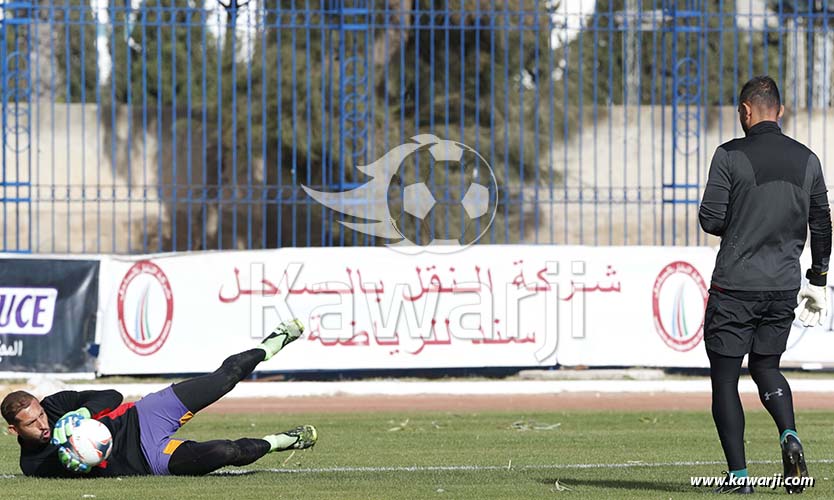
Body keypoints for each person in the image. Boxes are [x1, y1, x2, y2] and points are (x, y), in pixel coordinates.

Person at [699, 75, 831, 494]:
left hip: (735, 286)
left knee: (725, 379)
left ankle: (739, 477)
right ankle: (789, 435)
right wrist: (819, 278)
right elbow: (822, 223)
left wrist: (743, 217)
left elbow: (711, 219)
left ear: (745, 111)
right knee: (766, 367)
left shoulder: (728, 155)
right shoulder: (808, 159)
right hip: (782, 287)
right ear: (782, 110)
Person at [2, 319, 317, 477]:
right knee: (225, 451)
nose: (42, 423)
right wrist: (70, 459)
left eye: (40, 414)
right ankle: (281, 441)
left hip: (145, 414)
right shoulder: (32, 464)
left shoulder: (54, 404)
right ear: (14, 430)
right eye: (32, 423)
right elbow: (80, 469)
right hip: (147, 459)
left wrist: (83, 413)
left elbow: (113, 394)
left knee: (224, 379)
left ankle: (269, 346)